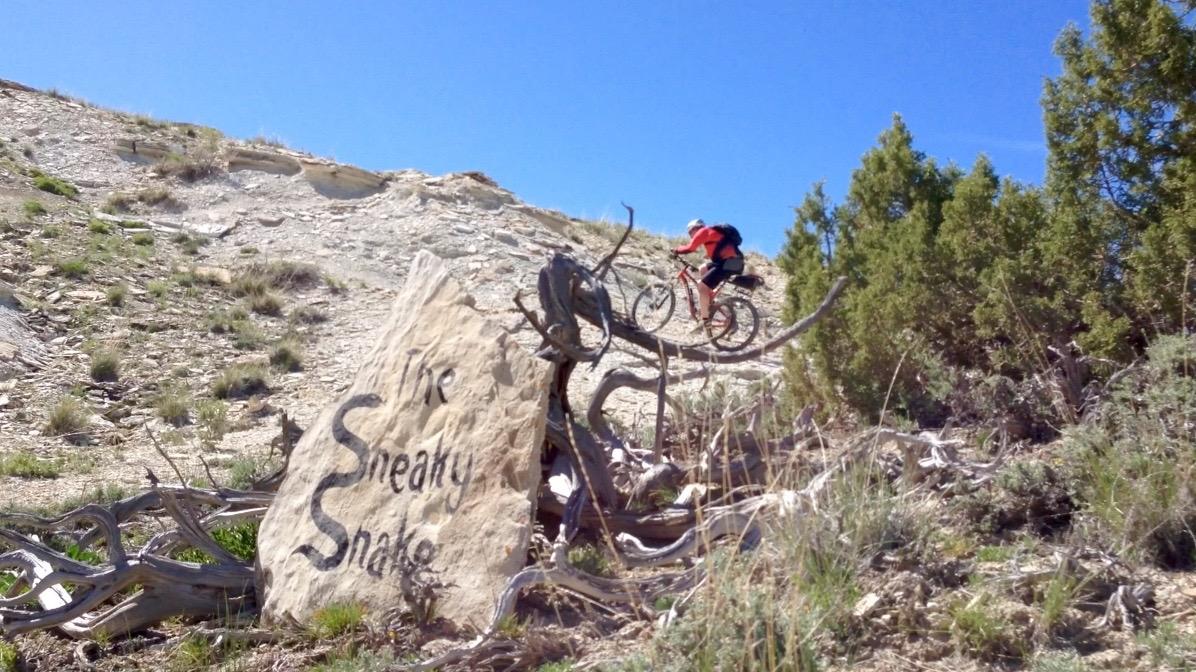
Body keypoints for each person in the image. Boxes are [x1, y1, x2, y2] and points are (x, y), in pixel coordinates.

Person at [672, 218, 745, 329]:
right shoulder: (710, 233)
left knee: (702, 285)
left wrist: (676, 250)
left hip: (731, 263)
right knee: (703, 268)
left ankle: (705, 321)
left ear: (694, 228)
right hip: (730, 262)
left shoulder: (703, 231)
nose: (690, 235)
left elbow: (690, 248)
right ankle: (709, 301)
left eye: (690, 232)